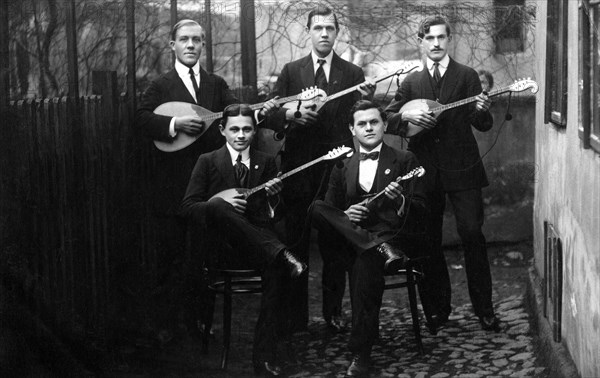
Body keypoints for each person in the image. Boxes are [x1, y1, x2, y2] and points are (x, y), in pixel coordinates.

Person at [262, 5, 375, 333]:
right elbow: (270, 113)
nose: (324, 34)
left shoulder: (352, 74)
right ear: (309, 33)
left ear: (337, 33)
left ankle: (333, 313)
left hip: (336, 170)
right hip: (298, 169)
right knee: (297, 242)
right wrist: (291, 116)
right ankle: (296, 317)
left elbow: (362, 117)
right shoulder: (291, 71)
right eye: (318, 28)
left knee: (334, 245)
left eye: (329, 28)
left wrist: (367, 98)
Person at [384, 16, 500, 332]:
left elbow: (484, 124)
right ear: (421, 42)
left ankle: (484, 309)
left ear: (448, 39)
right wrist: (410, 114)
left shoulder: (466, 76)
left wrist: (481, 109)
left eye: (441, 37)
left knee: (472, 235)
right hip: (424, 171)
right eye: (429, 38)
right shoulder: (411, 83)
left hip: (463, 168)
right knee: (427, 240)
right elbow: (388, 118)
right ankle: (437, 309)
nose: (435, 43)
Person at [180, 104, 306, 376]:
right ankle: (282, 252)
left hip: (257, 250)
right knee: (215, 205)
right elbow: (188, 207)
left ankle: (263, 357)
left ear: (254, 130)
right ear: (222, 130)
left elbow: (276, 215)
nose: (240, 135)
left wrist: (273, 198)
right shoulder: (207, 160)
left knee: (276, 272)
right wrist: (219, 202)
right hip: (221, 250)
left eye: (247, 129)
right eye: (234, 129)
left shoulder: (267, 161)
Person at [134, 19, 240, 339]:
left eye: (196, 40)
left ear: (203, 45)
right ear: (173, 46)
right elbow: (141, 118)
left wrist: (272, 110)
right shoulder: (161, 86)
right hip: (173, 186)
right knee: (171, 256)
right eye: (184, 40)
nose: (191, 45)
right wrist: (175, 123)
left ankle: (201, 323)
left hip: (208, 185)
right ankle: (166, 326)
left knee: (204, 256)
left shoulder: (216, 84)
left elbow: (235, 111)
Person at [311, 100, 426, 377]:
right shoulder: (342, 165)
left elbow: (422, 209)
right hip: (354, 240)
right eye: (361, 123)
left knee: (365, 265)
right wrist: (345, 214)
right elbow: (328, 209)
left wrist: (400, 200)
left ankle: (361, 354)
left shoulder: (404, 160)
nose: (369, 128)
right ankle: (375, 247)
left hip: (390, 237)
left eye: (374, 122)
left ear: (385, 124)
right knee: (315, 208)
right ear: (352, 128)